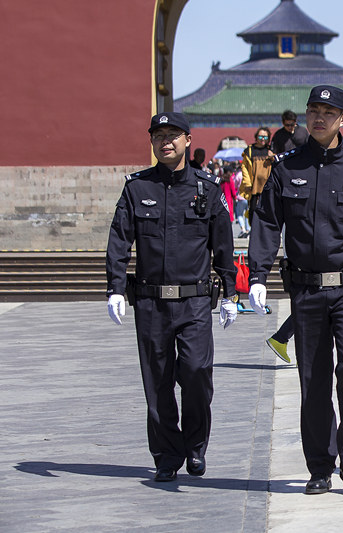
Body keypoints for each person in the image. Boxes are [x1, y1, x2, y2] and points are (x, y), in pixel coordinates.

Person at [247, 85, 343, 496]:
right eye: (313, 110)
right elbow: (266, 224)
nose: (319, 118)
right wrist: (257, 275)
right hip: (307, 290)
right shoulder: (286, 168)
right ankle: (320, 464)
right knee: (313, 380)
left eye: (328, 112)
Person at [105, 112, 237, 482]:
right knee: (158, 381)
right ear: (151, 142)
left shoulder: (207, 188)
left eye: (173, 135)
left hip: (194, 300)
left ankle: (195, 447)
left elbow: (222, 245)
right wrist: (115, 288)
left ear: (187, 140)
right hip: (149, 302)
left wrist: (230, 292)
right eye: (158, 135)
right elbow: (118, 241)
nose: (166, 141)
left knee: (196, 373)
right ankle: (166, 454)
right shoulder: (136, 189)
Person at [240, 127, 275, 227]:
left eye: (265, 137)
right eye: (260, 136)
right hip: (254, 185)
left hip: (268, 185)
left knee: (269, 209)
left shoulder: (271, 150)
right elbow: (244, 167)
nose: (262, 139)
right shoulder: (250, 150)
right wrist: (247, 182)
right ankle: (254, 229)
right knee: (253, 209)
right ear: (256, 137)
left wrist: (273, 157)